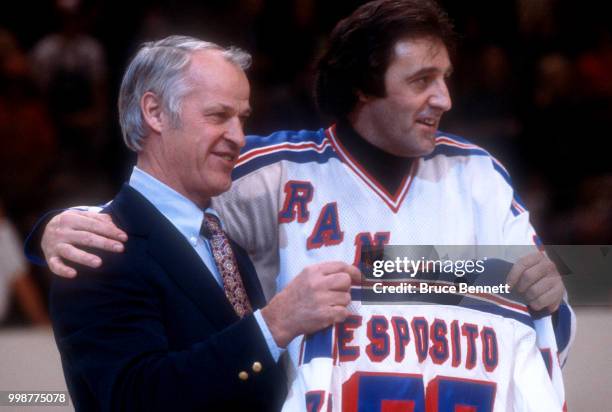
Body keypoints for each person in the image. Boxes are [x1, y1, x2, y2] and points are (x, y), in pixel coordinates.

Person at [28, 0, 575, 409]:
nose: (445, 99)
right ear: (364, 86)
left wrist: (554, 294)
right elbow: (157, 209)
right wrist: (55, 228)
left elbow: (549, 300)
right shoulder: (274, 170)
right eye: (421, 79)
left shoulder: (479, 172)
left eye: (446, 79)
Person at [34, 36, 360, 411]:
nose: (239, 137)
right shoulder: (95, 246)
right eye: (219, 115)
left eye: (242, 118)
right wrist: (274, 324)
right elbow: (135, 400)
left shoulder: (222, 235)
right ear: (154, 113)